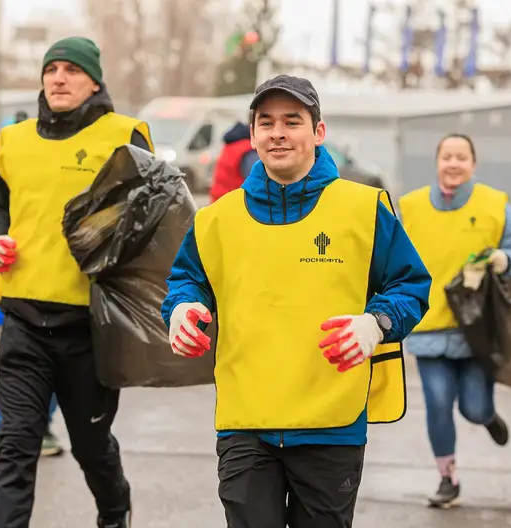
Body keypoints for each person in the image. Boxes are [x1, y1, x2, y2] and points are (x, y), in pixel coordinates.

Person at [161, 75, 432, 528]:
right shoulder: (215, 219)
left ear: (318, 132)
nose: (278, 132)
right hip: (246, 423)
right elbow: (187, 281)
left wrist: (375, 323)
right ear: (252, 136)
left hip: (332, 424)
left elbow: (410, 285)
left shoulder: (364, 209)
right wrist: (183, 309)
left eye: (293, 121)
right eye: (266, 122)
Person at [0, 37, 153, 528]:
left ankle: (114, 512)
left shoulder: (123, 135)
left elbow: (149, 216)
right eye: (50, 68)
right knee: (15, 445)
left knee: (91, 446)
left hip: (91, 327)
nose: (58, 78)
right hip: (23, 323)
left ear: (94, 81)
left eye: (72, 70)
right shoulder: (11, 141)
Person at [399, 133, 511, 509]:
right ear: (437, 162)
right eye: (447, 156)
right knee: (438, 403)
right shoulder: (409, 206)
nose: (453, 163)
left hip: (477, 329)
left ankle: (486, 416)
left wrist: (504, 260)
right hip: (427, 326)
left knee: (472, 408)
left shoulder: (494, 204)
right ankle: (447, 477)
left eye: (461, 157)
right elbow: (389, 257)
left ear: (473, 164)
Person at [0, 106, 64, 461]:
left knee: (32, 364)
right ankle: (6, 428)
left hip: (45, 284)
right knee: (25, 363)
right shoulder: (11, 158)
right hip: (19, 284)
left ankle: (16, 427)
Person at [209, 121, 258, 202]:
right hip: (235, 204)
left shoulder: (230, 147)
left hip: (220, 202)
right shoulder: (248, 150)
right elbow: (256, 182)